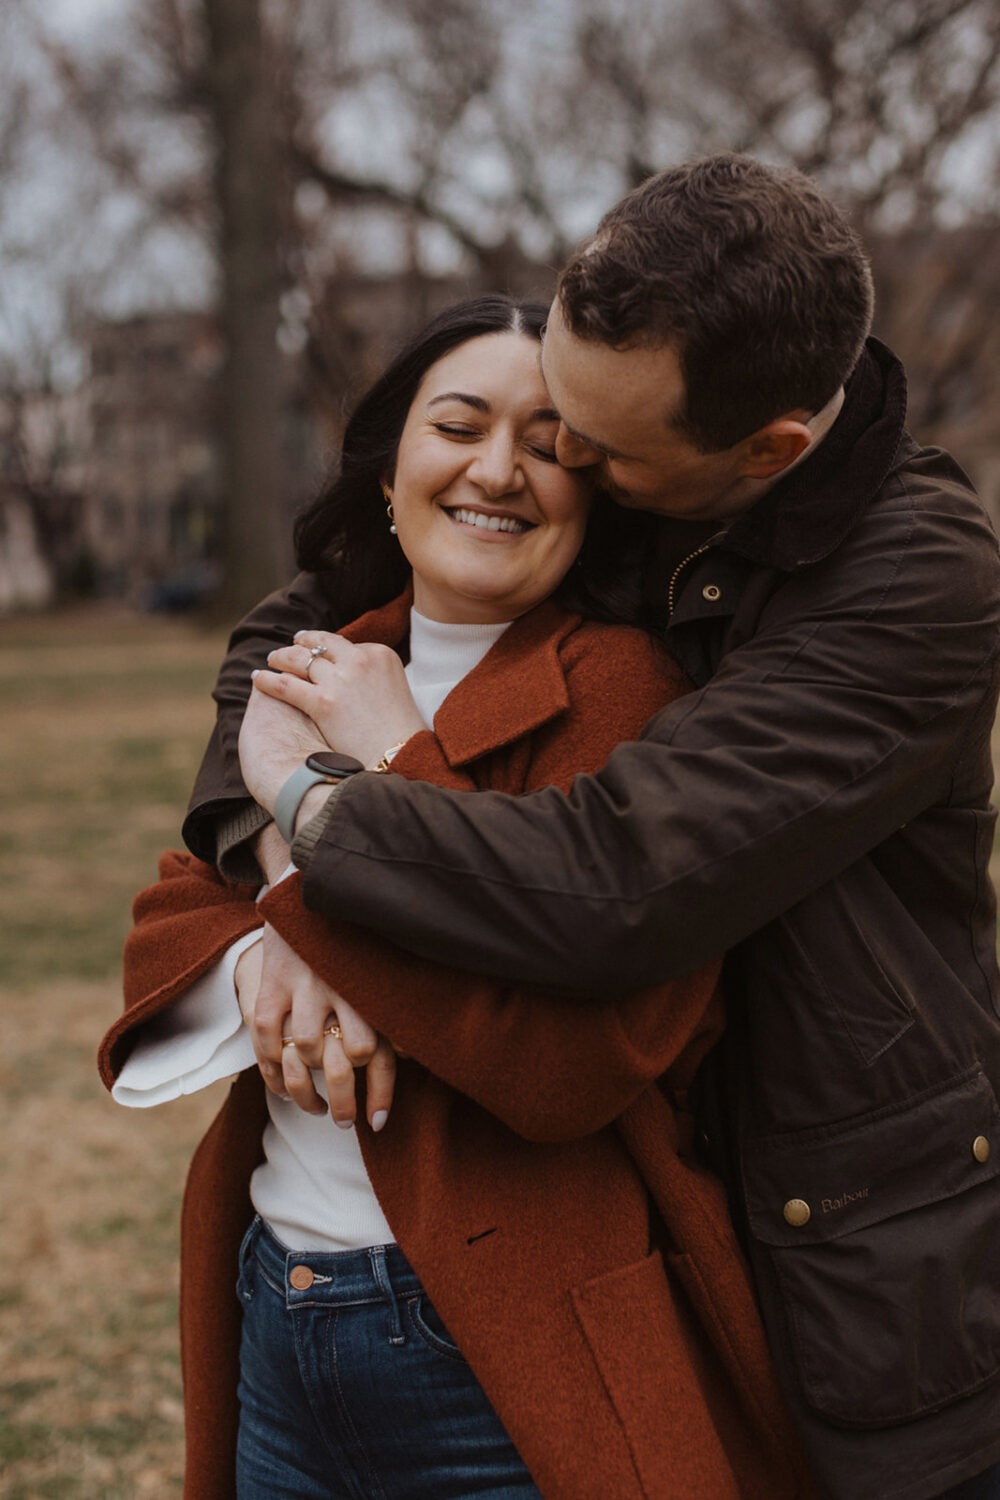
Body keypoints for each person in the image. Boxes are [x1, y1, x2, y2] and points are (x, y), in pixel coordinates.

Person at [183, 155, 1000, 1500]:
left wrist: (345, 794)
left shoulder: (914, 580)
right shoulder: (642, 446)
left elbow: (613, 885)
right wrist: (283, 878)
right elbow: (295, 628)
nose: (558, 465)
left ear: (769, 452)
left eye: (589, 450)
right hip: (624, 1199)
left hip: (846, 1222)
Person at [99, 296, 815, 1500]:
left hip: (506, 1346)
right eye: (459, 425)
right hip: (277, 1307)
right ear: (391, 470)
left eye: (549, 444)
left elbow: (579, 1061)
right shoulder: (313, 662)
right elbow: (170, 914)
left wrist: (377, 798)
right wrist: (267, 957)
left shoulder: (631, 699)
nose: (499, 469)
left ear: (595, 496)